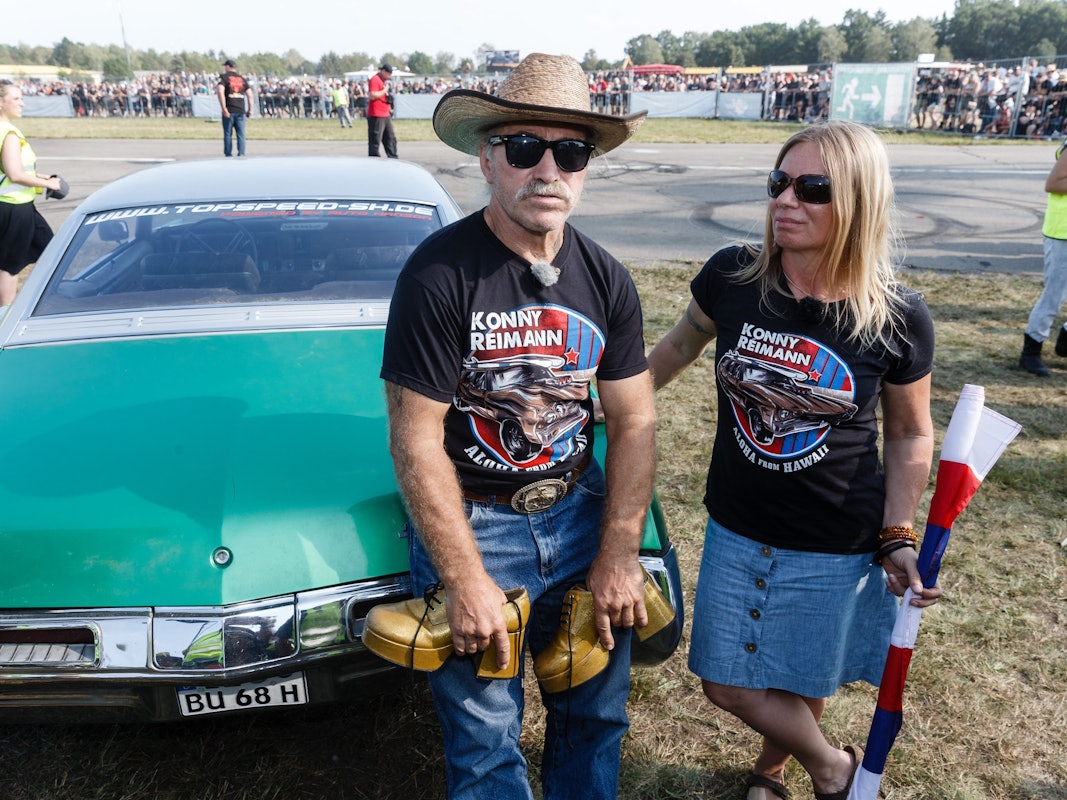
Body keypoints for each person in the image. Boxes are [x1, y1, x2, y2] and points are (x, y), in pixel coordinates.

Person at [379, 52, 651, 799]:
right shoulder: (439, 275)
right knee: (485, 737)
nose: (548, 170)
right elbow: (414, 437)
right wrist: (463, 578)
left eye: (570, 151)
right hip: (477, 524)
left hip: (579, 512)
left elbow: (633, 421)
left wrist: (619, 552)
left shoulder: (606, 277)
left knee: (594, 717)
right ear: (488, 157)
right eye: (526, 148)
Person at [647, 119, 942, 800]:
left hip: (834, 533)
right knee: (724, 679)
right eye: (778, 182)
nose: (785, 200)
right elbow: (678, 347)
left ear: (859, 201)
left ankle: (769, 773)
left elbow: (907, 434)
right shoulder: (732, 276)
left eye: (812, 188)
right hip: (737, 522)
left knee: (800, 675)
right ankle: (832, 766)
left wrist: (898, 533)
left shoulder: (897, 315)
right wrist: (616, 400)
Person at [0, 80, 64, 307]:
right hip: (14, 208)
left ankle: (40, 301)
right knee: (10, 267)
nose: (22, 104)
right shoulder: (8, 133)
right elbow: (15, 174)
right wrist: (51, 186)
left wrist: (42, 179)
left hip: (21, 205)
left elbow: (9, 172)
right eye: (16, 99)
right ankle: (5, 319)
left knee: (52, 249)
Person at [1018, 135, 1067, 376]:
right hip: (1062, 231)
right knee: (1054, 295)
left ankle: (1065, 340)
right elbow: (1053, 183)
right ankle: (1031, 351)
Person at [216, 59, 252, 157]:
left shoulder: (224, 78)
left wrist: (223, 108)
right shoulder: (242, 79)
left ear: (227, 66)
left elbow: (220, 91)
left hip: (229, 109)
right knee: (241, 134)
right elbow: (249, 94)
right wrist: (250, 109)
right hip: (241, 109)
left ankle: (228, 155)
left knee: (228, 134)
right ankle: (241, 154)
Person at [366, 63, 397, 158]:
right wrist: (385, 90)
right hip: (376, 115)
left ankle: (393, 158)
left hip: (385, 114)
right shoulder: (375, 79)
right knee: (375, 140)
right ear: (383, 71)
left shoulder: (383, 81)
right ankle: (374, 160)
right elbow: (372, 95)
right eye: (388, 74)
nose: (389, 76)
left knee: (390, 138)